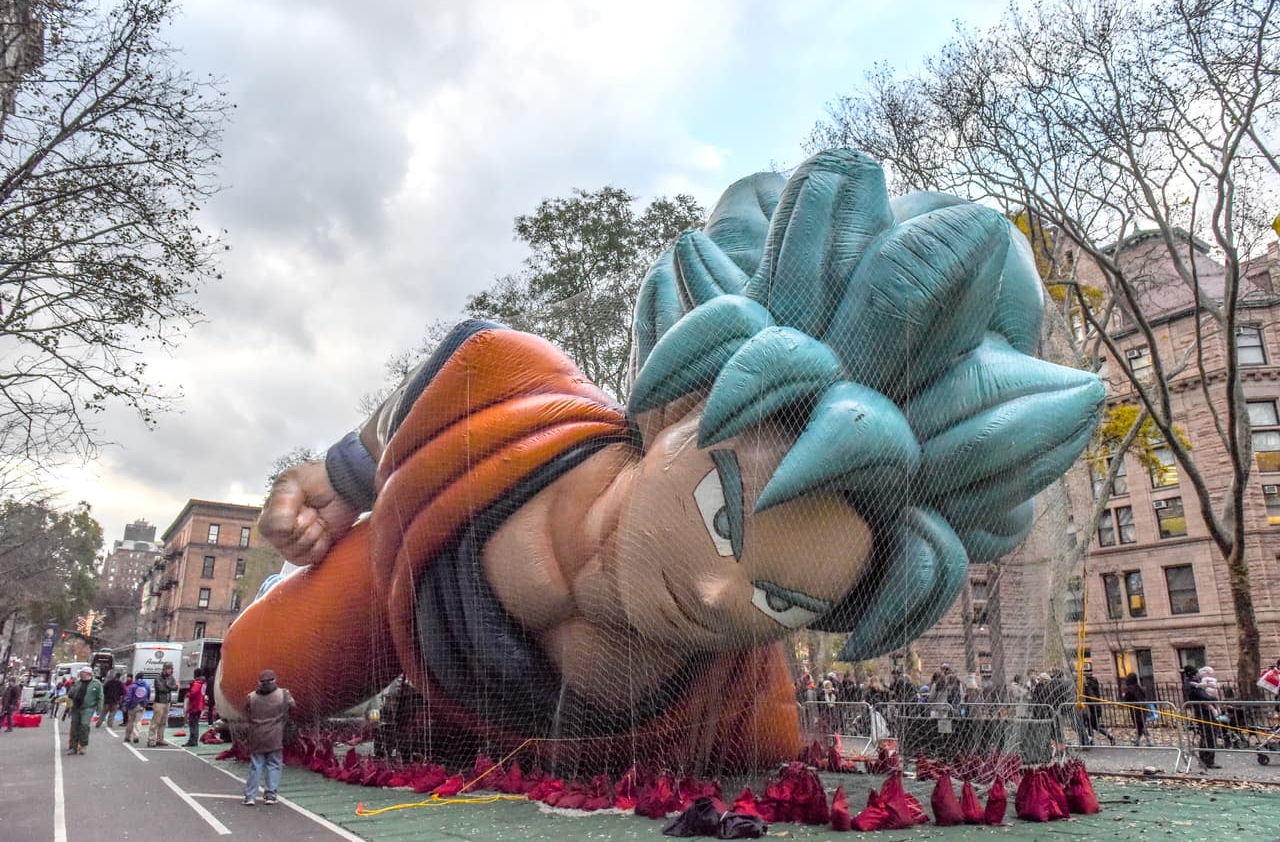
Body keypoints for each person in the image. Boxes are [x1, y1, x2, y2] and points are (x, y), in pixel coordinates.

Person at [216, 151, 1104, 771]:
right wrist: (336, 479)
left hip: (514, 723)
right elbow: (441, 382)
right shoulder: (510, 390)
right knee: (250, 679)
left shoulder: (739, 704)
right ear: (678, 407)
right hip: (408, 591)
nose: (721, 597)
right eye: (725, 516)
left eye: (779, 601)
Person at [242, 670, 295, 806]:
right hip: (275, 735)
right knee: (274, 764)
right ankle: (270, 795)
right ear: (274, 680)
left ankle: (250, 797)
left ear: (259, 682)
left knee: (256, 766)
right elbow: (292, 706)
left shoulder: (252, 696)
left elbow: (246, 711)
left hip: (257, 735)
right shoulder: (283, 694)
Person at [1182, 664, 1219, 770]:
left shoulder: (1194, 684)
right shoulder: (1192, 685)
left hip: (1203, 711)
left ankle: (1205, 759)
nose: (1199, 675)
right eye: (1197, 673)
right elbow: (1203, 696)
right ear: (1193, 674)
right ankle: (1208, 760)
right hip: (1203, 712)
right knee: (1209, 735)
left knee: (1207, 736)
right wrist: (1214, 700)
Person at [67, 666, 103, 754]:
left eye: (82, 672)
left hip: (88, 708)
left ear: (88, 674)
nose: (80, 674)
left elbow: (100, 697)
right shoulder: (77, 683)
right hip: (76, 707)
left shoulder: (96, 684)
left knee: (84, 725)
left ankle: (83, 745)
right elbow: (70, 694)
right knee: (74, 727)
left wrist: (99, 708)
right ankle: (73, 747)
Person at [148, 662, 178, 747]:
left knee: (164, 722)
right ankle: (151, 739)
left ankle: (160, 739)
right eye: (169, 668)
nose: (171, 670)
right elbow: (161, 689)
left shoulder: (171, 677)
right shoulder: (158, 678)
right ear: (164, 669)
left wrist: (168, 686)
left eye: (171, 669)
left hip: (167, 702)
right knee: (155, 722)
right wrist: (169, 687)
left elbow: (175, 687)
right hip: (159, 702)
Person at [1082, 673, 1115, 745]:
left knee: (1094, 726)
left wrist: (1086, 688)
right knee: (1090, 725)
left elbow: (1091, 696)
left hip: (1093, 708)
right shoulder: (1094, 682)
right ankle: (1091, 741)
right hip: (1093, 707)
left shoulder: (1089, 685)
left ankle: (1110, 736)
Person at [1120, 673, 1151, 746]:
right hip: (1143, 708)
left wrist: (1124, 695)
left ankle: (1148, 741)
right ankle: (1139, 740)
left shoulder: (1129, 689)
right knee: (1141, 725)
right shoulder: (1139, 687)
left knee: (1140, 725)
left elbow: (1126, 699)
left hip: (1136, 710)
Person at [121, 671, 149, 744]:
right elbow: (148, 696)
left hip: (132, 706)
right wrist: (145, 704)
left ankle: (128, 737)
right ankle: (137, 735)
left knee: (130, 721)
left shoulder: (132, 686)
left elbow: (128, 697)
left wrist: (125, 705)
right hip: (141, 705)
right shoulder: (146, 686)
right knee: (138, 721)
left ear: (136, 678)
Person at [184, 668, 206, 746]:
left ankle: (192, 740)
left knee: (192, 724)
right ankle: (194, 740)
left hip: (194, 706)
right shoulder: (203, 683)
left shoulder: (197, 683)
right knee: (196, 723)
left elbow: (193, 693)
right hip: (200, 706)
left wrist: (188, 694)